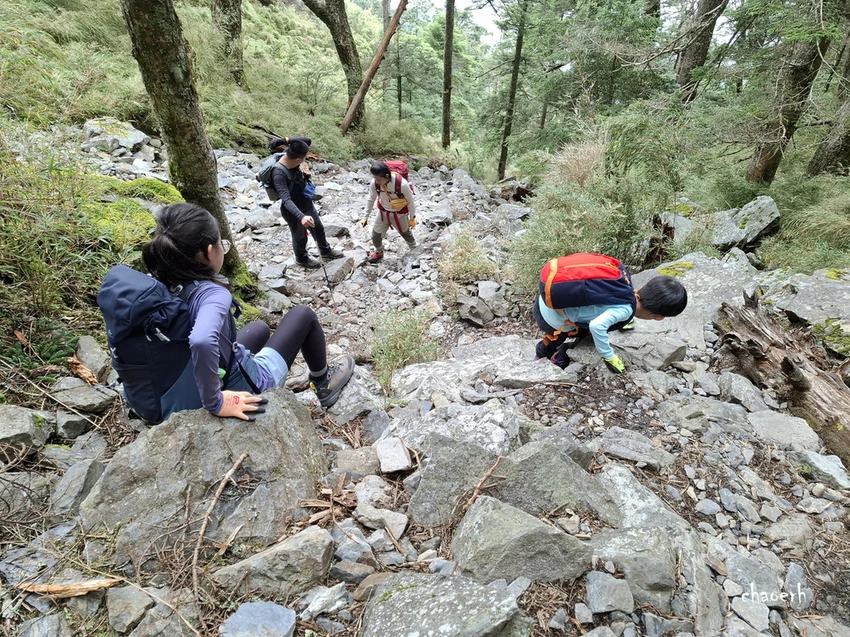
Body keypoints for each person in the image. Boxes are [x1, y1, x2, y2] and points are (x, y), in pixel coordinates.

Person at [142, 203, 355, 420]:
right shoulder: (211, 295)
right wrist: (214, 401)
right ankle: (323, 382)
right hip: (242, 387)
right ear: (209, 252)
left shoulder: (154, 284)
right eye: (220, 245)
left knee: (259, 329)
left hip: (177, 382)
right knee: (303, 315)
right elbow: (202, 340)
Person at [533, 257, 687, 374]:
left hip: (544, 299)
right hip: (551, 319)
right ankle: (545, 356)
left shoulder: (624, 283)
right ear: (659, 317)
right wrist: (609, 356)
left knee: (593, 332)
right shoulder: (624, 311)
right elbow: (597, 325)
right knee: (558, 339)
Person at [271, 138, 342, 269]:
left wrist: (286, 140)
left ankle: (325, 251)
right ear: (298, 160)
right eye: (305, 158)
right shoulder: (278, 173)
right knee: (300, 237)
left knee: (318, 228)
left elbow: (307, 140)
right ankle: (301, 259)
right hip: (293, 211)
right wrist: (301, 217)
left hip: (306, 203)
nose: (305, 160)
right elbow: (286, 200)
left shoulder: (291, 152)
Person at [364, 161, 416, 263]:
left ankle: (415, 250)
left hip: (399, 214)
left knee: (406, 234)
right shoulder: (375, 183)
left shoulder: (402, 184)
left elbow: (410, 202)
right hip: (383, 213)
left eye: (379, 179)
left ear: (387, 176)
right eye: (375, 178)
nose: (377, 181)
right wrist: (365, 216)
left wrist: (412, 218)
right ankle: (379, 252)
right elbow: (371, 198)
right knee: (375, 235)